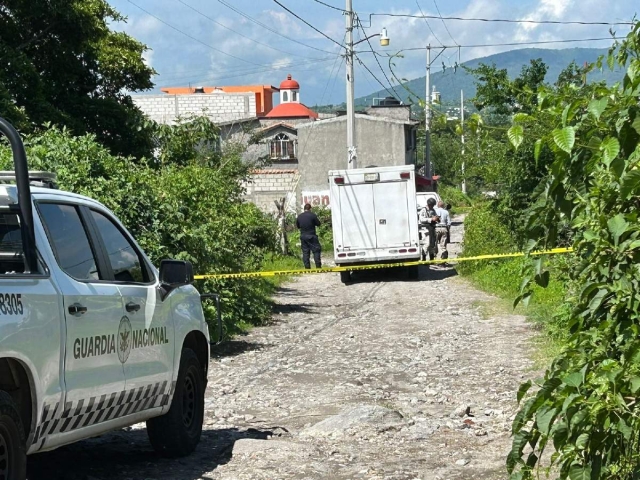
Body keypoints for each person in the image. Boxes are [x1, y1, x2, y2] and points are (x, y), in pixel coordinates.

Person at [296, 203, 322, 269]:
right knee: (316, 251)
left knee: (305, 253)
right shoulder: (313, 215)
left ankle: (307, 268)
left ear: (304, 209)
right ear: (310, 209)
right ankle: (318, 267)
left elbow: (298, 226)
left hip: (303, 237)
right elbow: (318, 224)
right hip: (312, 236)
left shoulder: (299, 216)